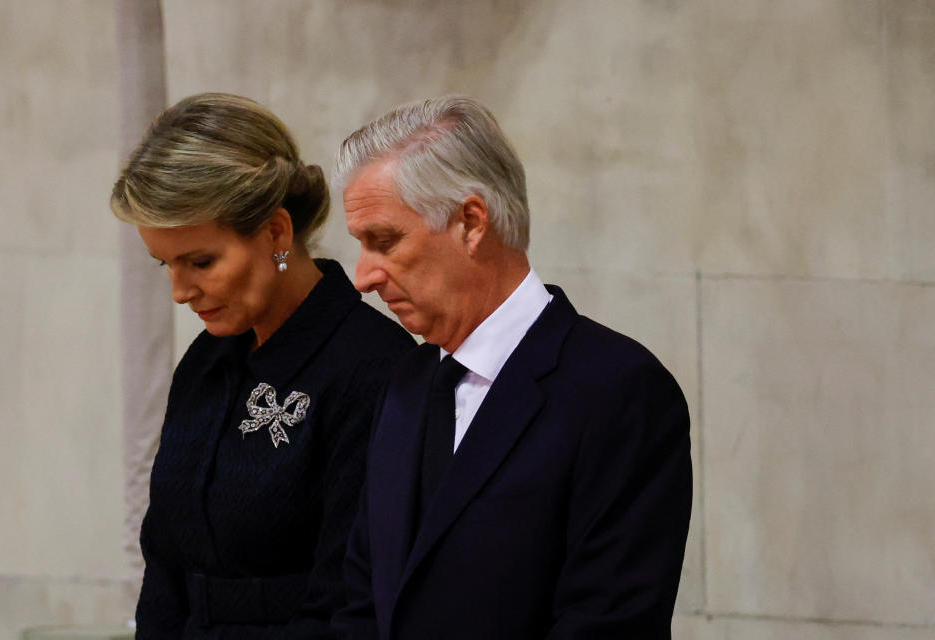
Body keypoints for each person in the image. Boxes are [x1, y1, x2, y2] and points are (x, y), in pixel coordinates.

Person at [331, 96, 692, 639]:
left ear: (471, 224)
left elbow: (609, 623)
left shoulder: (619, 389)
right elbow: (362, 600)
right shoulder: (404, 383)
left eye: (384, 241)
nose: (363, 276)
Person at [110, 93, 415, 639]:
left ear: (276, 233)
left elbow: (352, 604)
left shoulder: (376, 371)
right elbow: (164, 568)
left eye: (200, 262)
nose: (180, 292)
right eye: (166, 264)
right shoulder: (206, 360)